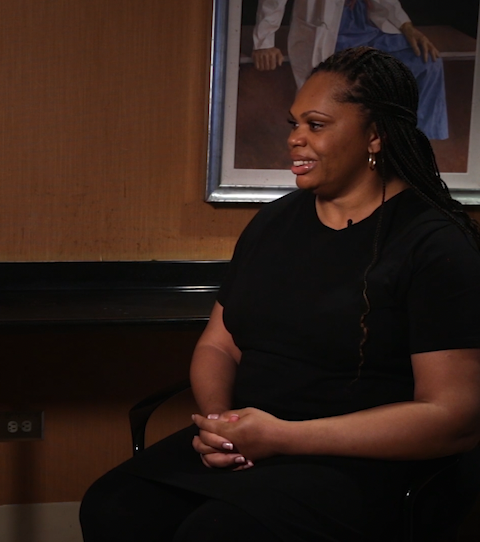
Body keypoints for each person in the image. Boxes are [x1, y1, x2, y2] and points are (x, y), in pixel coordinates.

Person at [80, 47, 480, 541]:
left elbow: (455, 418)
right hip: (253, 439)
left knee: (216, 533)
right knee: (113, 507)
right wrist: (220, 425)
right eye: (294, 123)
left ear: (375, 133)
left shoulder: (435, 242)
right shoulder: (275, 222)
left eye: (315, 125)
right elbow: (218, 344)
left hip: (358, 461)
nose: (294, 139)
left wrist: (282, 437)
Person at [252, 0, 448, 139]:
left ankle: (418, 141)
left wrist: (407, 28)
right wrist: (264, 42)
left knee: (427, 62)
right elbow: (272, 2)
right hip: (329, 37)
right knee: (338, 90)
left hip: (369, 30)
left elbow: (385, 3)